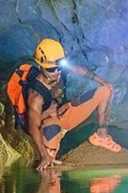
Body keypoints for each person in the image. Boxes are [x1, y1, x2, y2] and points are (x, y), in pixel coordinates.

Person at [23, 38, 120, 172]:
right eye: (51, 69)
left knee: (105, 91)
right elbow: (33, 126)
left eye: (59, 67)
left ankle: (101, 136)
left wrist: (103, 82)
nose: (56, 71)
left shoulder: (59, 69)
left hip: (66, 113)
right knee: (49, 167)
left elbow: (81, 71)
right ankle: (51, 150)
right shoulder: (36, 93)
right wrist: (43, 155)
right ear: (41, 66)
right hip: (50, 127)